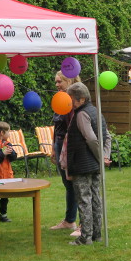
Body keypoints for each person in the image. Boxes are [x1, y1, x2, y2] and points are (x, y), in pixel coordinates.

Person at [64, 82, 111, 246]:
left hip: (83, 163)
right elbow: (107, 136)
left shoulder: (82, 114)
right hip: (94, 164)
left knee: (85, 200)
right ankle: (96, 234)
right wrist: (104, 156)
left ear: (81, 99)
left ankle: (85, 238)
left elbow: (91, 138)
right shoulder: (95, 111)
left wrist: (100, 156)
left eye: (71, 98)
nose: (69, 102)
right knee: (95, 199)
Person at [49, 71, 82, 235]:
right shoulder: (59, 100)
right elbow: (57, 126)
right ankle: (69, 220)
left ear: (69, 81)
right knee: (68, 185)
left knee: (75, 184)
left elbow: (72, 128)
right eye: (55, 82)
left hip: (68, 145)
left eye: (59, 82)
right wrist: (53, 147)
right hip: (59, 143)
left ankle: (80, 222)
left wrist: (67, 149)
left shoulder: (72, 102)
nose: (57, 85)